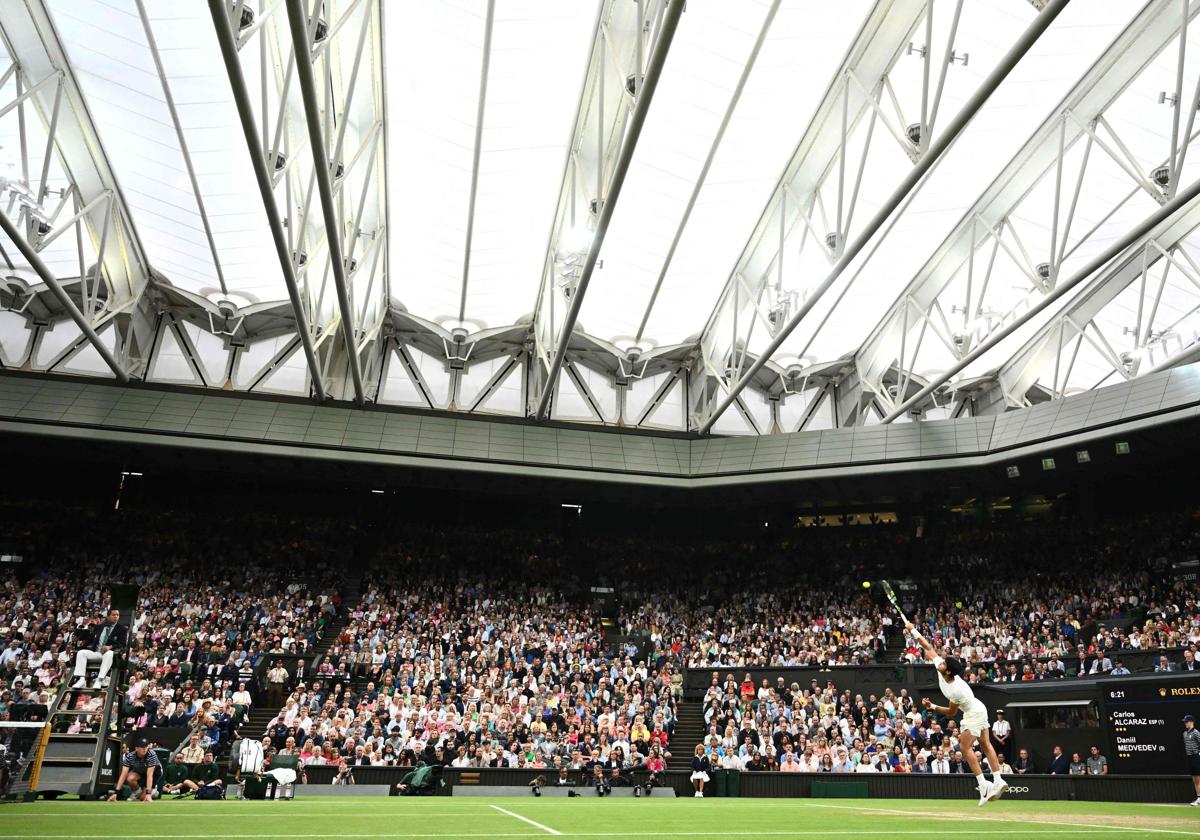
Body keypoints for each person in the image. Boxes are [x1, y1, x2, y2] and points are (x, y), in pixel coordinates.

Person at [906, 620, 1007, 805]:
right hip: (979, 708)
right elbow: (927, 647)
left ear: (949, 671)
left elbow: (951, 713)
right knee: (985, 744)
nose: (940, 662)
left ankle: (984, 785)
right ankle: (999, 780)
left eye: (944, 663)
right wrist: (913, 631)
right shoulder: (942, 670)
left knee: (964, 747)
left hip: (973, 713)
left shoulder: (955, 690)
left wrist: (932, 707)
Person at [72, 609, 127, 690]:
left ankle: (99, 680)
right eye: (113, 615)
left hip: (110, 655)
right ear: (108, 616)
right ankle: (81, 679)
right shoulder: (99, 627)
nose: (116, 616)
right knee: (81, 653)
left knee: (109, 653)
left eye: (117, 615)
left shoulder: (122, 629)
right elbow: (90, 639)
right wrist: (81, 644)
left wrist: (110, 647)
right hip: (97, 653)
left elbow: (122, 644)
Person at [107, 736, 159, 801]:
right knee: (129, 778)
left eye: (146, 746)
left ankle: (154, 791)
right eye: (142, 747)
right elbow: (123, 774)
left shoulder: (151, 754)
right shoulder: (130, 756)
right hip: (141, 771)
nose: (145, 749)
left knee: (142, 798)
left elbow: (149, 775)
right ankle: (137, 791)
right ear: (136, 748)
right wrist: (116, 793)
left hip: (154, 773)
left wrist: (148, 794)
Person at [1182, 714, 1200, 806]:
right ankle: (1198, 797)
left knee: (1198, 779)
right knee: (1194, 779)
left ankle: (1199, 798)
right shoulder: (1184, 734)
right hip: (1190, 757)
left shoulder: (1196, 732)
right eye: (1184, 722)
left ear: (1191, 722)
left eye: (1186, 722)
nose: (1185, 723)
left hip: (1196, 756)